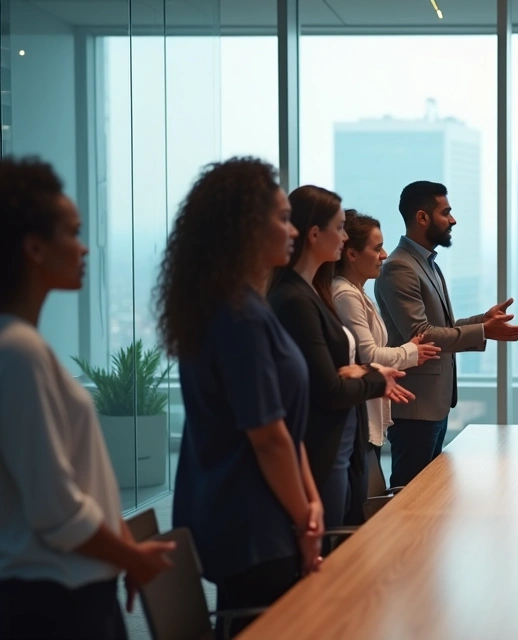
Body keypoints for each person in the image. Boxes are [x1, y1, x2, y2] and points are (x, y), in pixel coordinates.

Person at [0, 157, 174, 639]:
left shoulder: (25, 347)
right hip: (55, 600)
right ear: (35, 248)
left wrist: (122, 554)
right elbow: (56, 508)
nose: (84, 248)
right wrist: (132, 556)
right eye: (73, 233)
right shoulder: (19, 352)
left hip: (69, 588)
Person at [163, 159, 323, 631]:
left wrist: (312, 505)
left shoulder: (243, 305)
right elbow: (268, 437)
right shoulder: (240, 316)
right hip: (253, 527)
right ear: (245, 229)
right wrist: (304, 519)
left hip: (263, 516)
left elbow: (286, 428)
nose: (293, 230)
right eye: (282, 218)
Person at [269, 186, 411, 528]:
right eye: (339, 228)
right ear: (315, 234)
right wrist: (373, 378)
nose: (344, 237)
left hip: (342, 443)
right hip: (326, 447)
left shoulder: (313, 293)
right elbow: (329, 387)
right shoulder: (296, 299)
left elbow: (334, 371)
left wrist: (359, 371)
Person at [376, 181, 518, 488]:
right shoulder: (400, 268)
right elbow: (422, 335)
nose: (453, 220)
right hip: (415, 407)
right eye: (445, 212)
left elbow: (440, 325)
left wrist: (483, 321)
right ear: (422, 217)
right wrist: (484, 330)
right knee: (411, 496)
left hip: (433, 403)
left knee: (428, 492)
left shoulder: (426, 263)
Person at [332, 209, 441, 514]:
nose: (384, 255)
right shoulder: (345, 295)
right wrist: (411, 351)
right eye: (377, 248)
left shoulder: (357, 292)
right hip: (360, 415)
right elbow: (370, 356)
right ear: (352, 254)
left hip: (370, 414)